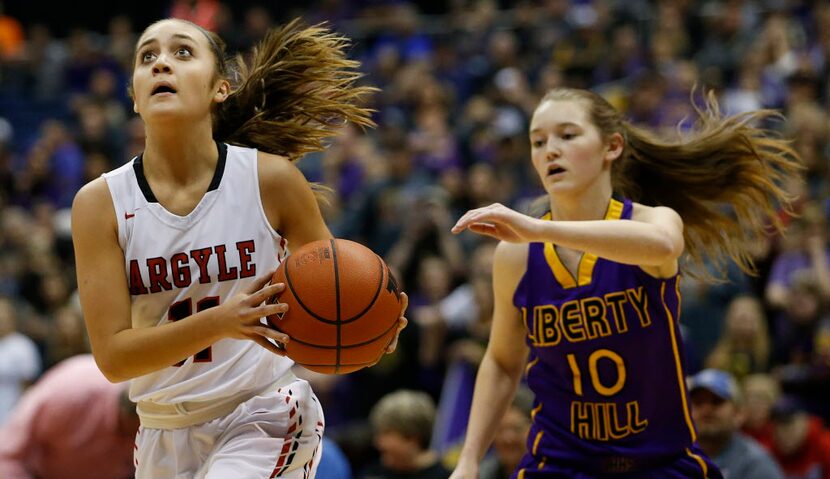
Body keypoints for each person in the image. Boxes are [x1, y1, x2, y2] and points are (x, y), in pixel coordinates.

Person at [70, 18, 407, 479]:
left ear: (220, 88)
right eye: (147, 57)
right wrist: (222, 321)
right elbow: (113, 359)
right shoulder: (99, 204)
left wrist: (370, 327)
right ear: (133, 94)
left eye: (182, 53)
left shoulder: (270, 179)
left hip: (264, 412)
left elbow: (337, 295)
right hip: (160, 433)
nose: (161, 62)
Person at [449, 87, 802, 478]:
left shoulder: (652, 221)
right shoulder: (516, 254)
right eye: (537, 141)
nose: (549, 150)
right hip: (560, 464)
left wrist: (539, 229)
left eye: (567, 135)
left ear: (612, 146)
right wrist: (469, 459)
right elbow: (501, 361)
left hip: (659, 464)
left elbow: (664, 245)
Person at [0, 354, 139, 479]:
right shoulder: (70, 394)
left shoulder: (148, 419)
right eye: (132, 433)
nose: (132, 440)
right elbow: (8, 454)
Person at [688, 369, 783, 479]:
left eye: (717, 402)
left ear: (738, 414)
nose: (706, 409)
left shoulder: (755, 463)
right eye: (698, 402)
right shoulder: (676, 457)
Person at [359, 389, 451, 479]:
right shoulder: (373, 473)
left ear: (412, 437)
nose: (378, 443)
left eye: (386, 433)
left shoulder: (450, 476)